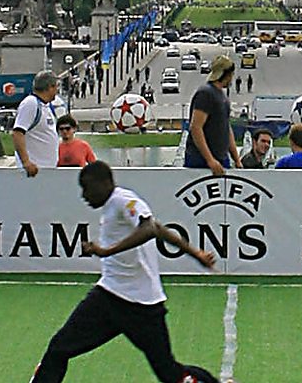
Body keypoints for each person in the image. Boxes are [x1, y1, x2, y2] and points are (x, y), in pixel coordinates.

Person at [30, 161, 221, 383]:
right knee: (59, 349)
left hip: (140, 305)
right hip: (110, 296)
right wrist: (195, 253)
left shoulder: (122, 201)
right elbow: (159, 229)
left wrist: (106, 250)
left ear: (105, 183)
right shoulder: (113, 205)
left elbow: (149, 228)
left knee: (169, 372)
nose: (84, 195)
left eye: (87, 188)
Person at [184, 54, 240, 173]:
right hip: (201, 160)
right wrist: (210, 160)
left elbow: (226, 127)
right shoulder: (206, 93)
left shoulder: (222, 96)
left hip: (221, 158)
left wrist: (236, 159)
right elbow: (196, 127)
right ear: (227, 74)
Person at [13, 72, 63, 177]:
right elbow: (18, 133)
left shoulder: (46, 106)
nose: (57, 91)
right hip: (35, 170)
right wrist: (26, 162)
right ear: (50, 87)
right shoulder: (31, 104)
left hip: (47, 169)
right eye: (56, 87)